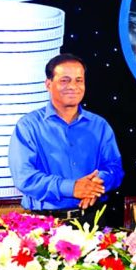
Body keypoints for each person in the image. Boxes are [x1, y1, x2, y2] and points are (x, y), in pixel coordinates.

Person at [9, 53, 124, 227]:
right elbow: (25, 177)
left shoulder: (99, 125)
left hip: (93, 220)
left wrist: (95, 185)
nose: (73, 86)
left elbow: (115, 169)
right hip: (44, 224)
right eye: (65, 80)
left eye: (79, 80)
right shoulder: (28, 126)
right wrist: (72, 188)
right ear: (48, 84)